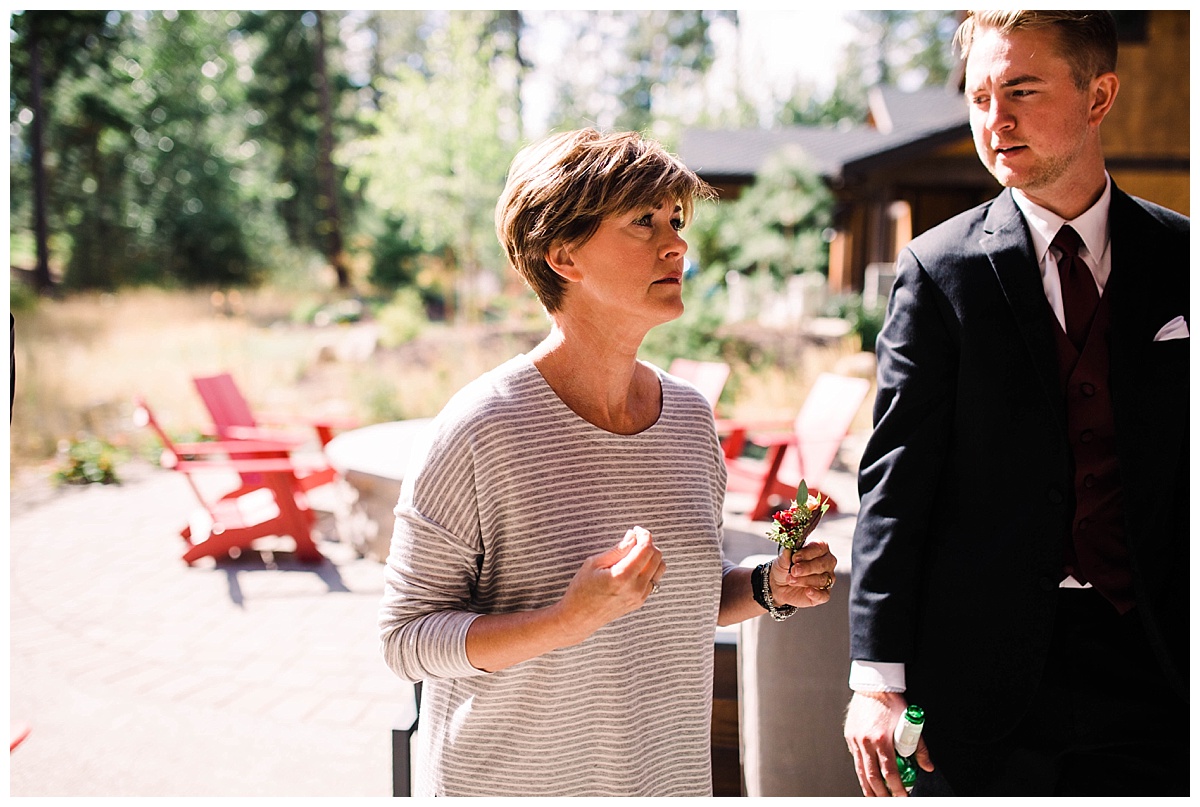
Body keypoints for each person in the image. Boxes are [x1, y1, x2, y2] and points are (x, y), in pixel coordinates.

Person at [378, 128, 839, 797]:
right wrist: (567, 620)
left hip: (665, 781)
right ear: (564, 254)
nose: (676, 242)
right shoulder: (482, 427)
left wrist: (770, 585)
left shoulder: (688, 418)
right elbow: (406, 640)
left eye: (676, 219)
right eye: (643, 221)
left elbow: (678, 601)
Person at [843, 10, 1188, 797]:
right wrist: (875, 674)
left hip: (1160, 667)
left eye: (1021, 91)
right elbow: (895, 485)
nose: (995, 121)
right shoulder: (938, 271)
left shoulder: (1184, 259)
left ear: (1099, 96)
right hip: (978, 678)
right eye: (978, 97)